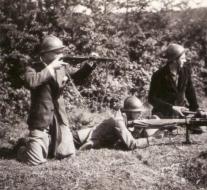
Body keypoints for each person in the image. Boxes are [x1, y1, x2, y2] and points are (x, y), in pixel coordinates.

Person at [15, 35, 96, 165]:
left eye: (61, 51)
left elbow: (78, 77)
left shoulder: (62, 67)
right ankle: (21, 148)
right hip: (42, 119)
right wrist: (50, 68)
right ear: (45, 54)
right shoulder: (32, 68)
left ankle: (45, 145)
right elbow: (31, 82)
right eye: (57, 52)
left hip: (59, 118)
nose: (61, 55)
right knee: (34, 160)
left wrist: (90, 65)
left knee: (67, 154)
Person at [73, 96, 160, 150]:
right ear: (129, 112)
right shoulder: (118, 121)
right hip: (78, 139)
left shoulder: (126, 118)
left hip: (89, 138)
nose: (140, 114)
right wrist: (151, 139)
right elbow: (131, 144)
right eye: (137, 112)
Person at [148, 43, 200, 118]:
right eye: (182, 58)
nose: (185, 61)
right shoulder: (158, 75)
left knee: (199, 129)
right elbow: (152, 99)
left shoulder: (185, 71)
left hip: (182, 114)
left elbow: (190, 91)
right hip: (163, 115)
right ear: (175, 60)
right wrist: (171, 108)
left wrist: (196, 108)